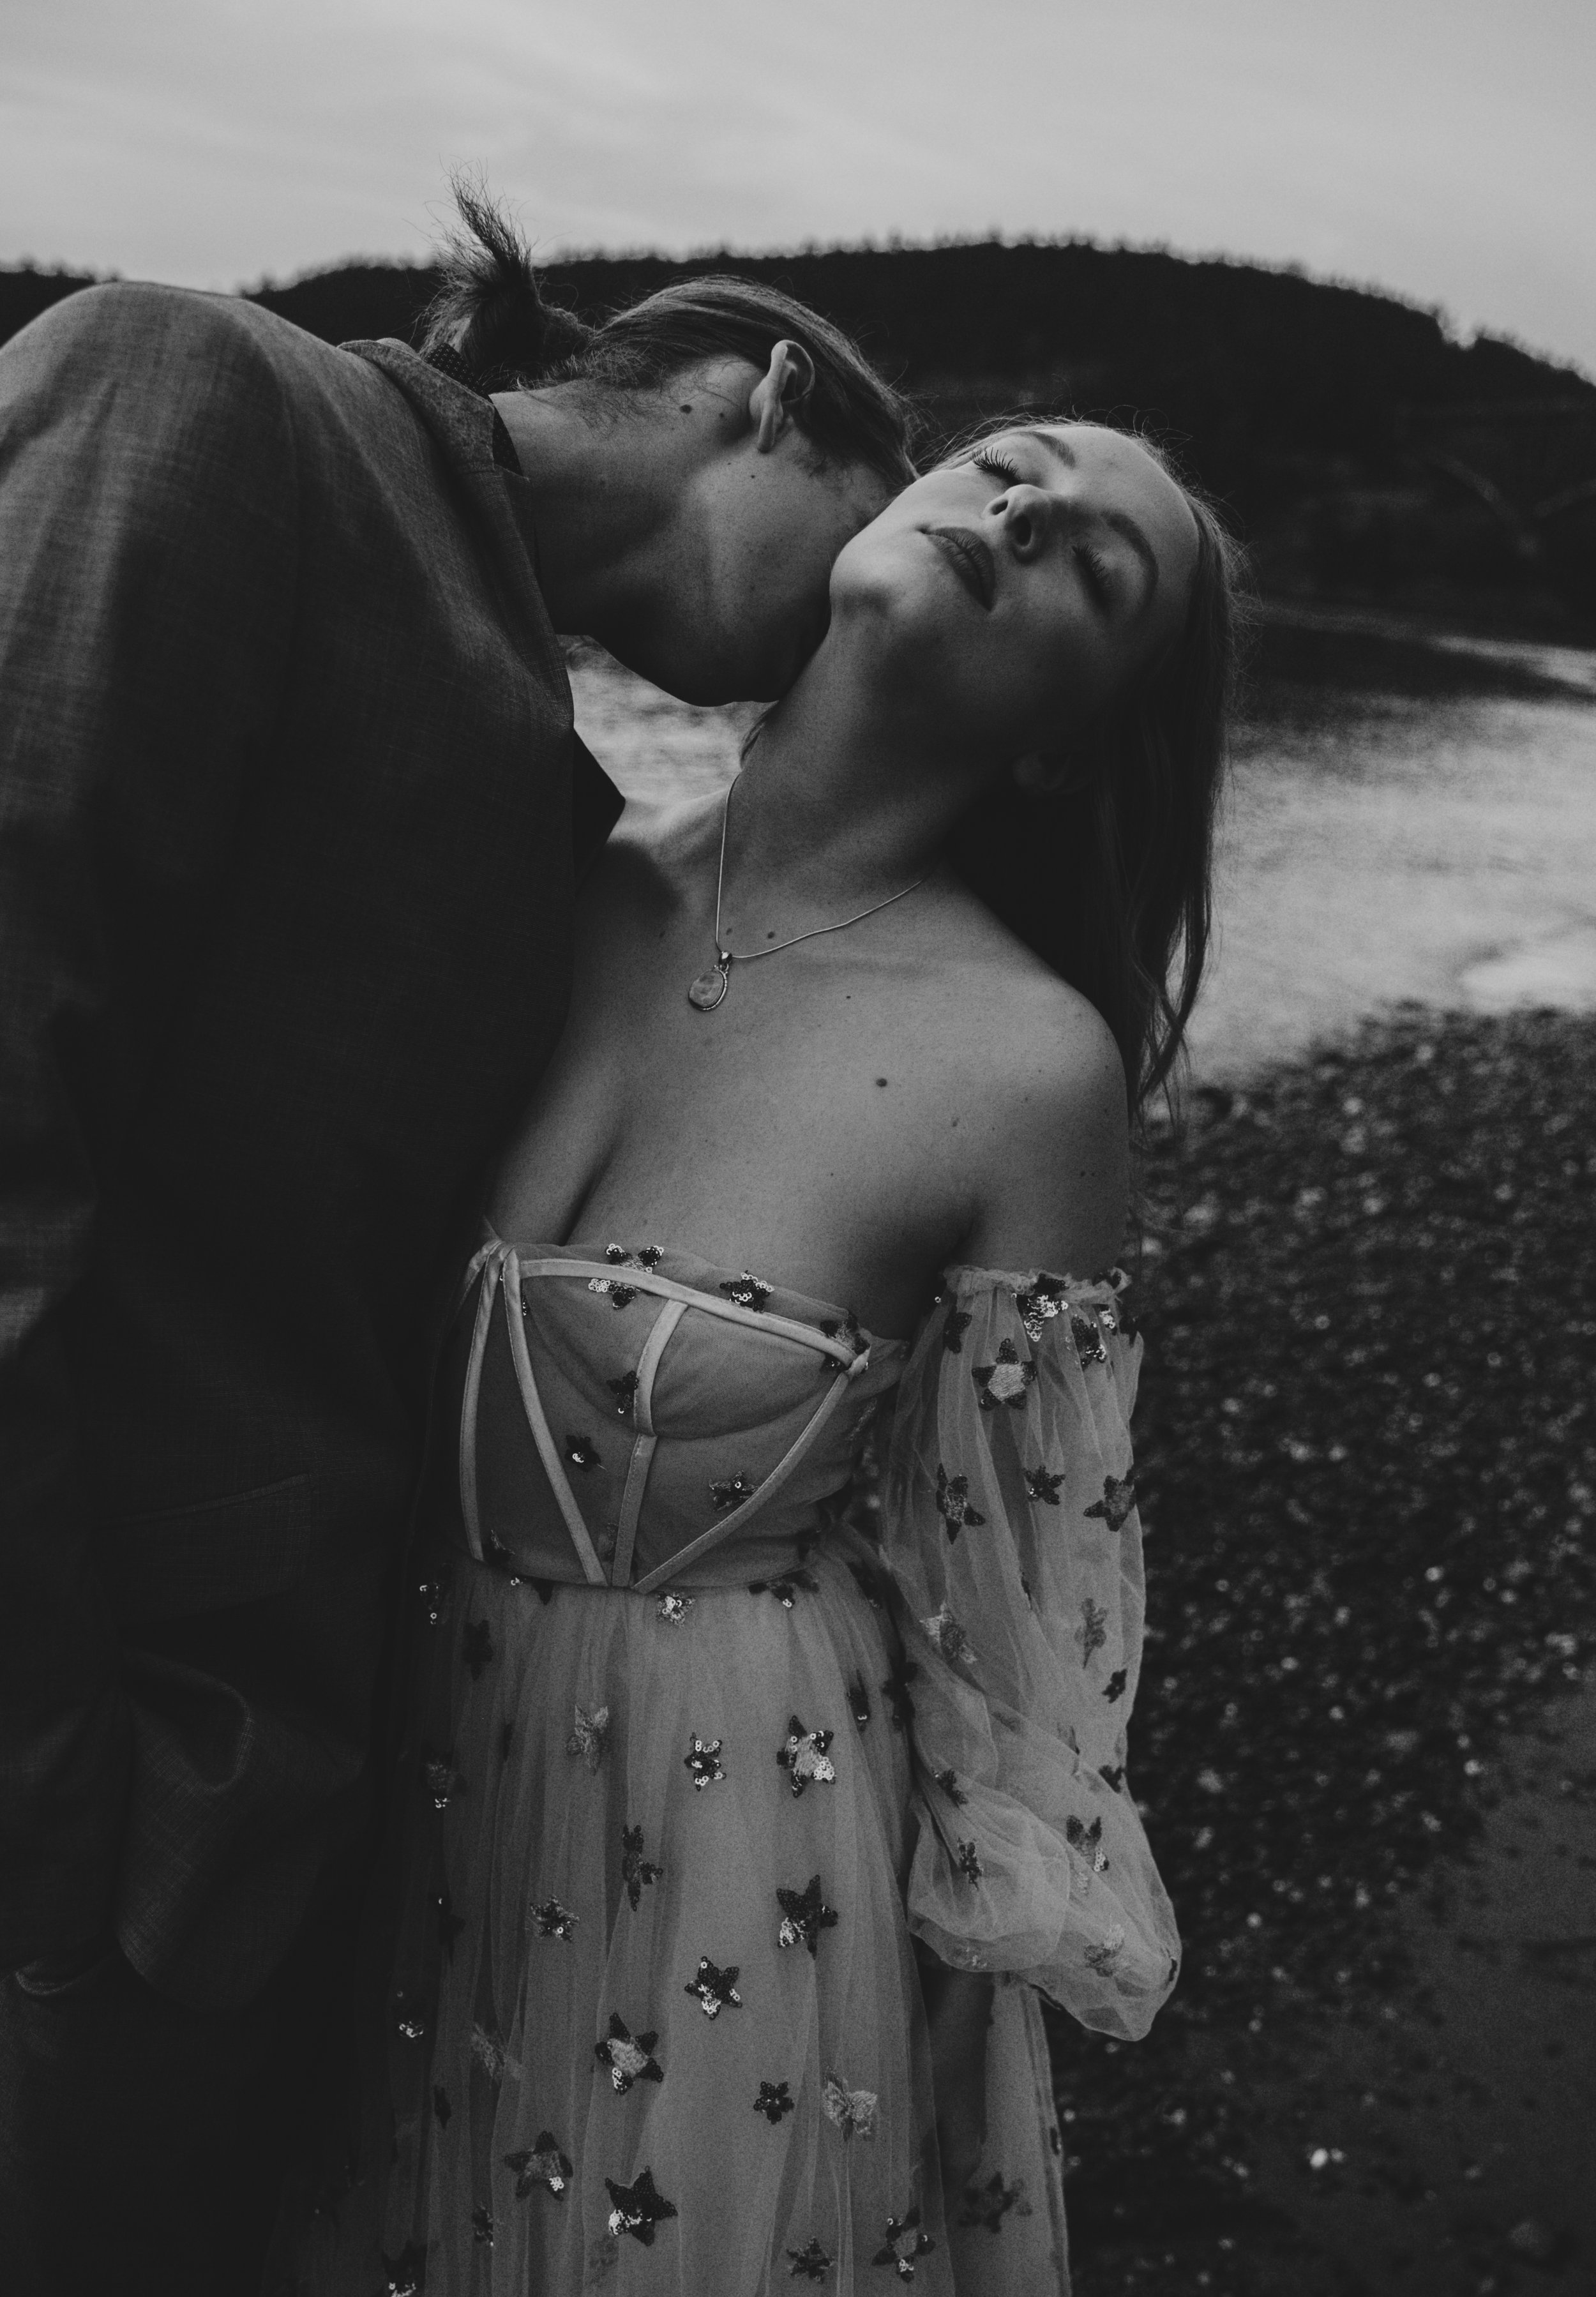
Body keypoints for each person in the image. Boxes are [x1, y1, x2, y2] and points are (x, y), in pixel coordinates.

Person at [0, 185, 915, 2294]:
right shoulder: (205, 388)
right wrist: (57, 1842)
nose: (849, 629)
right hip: (100, 1796)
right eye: (867, 543)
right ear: (759, 394)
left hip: (268, 1823)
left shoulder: (552, 767)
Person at [282, 412, 1244, 2293]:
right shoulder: (541, 854)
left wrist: (932, 2064)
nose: (1024, 507)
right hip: (368, 1777)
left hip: (720, 1857)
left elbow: (1013, 1629)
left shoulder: (1022, 1072)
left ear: (1061, 738)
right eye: (1003, 461)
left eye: (1093, 565)